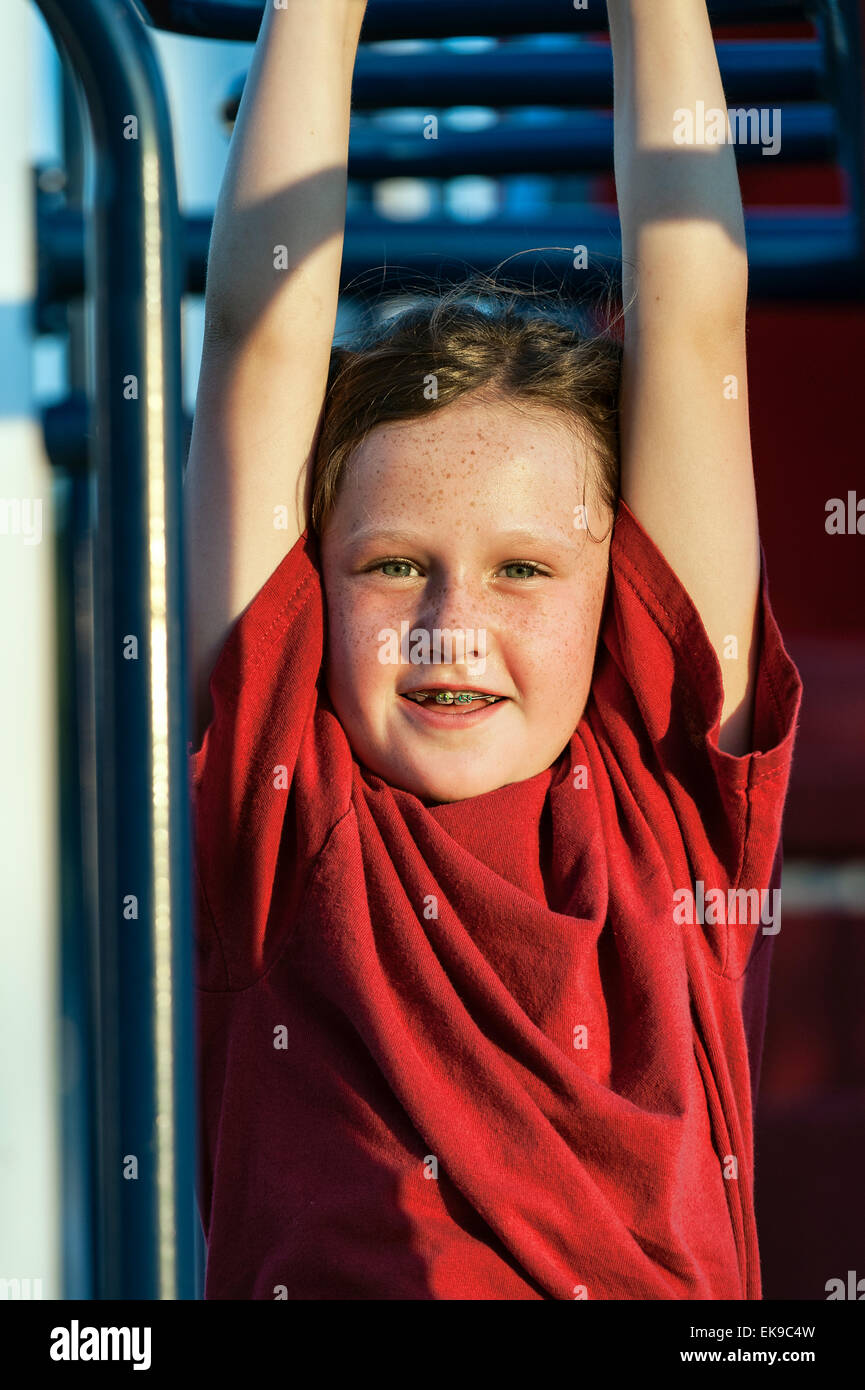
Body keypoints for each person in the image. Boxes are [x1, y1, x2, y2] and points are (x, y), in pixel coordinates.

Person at [184, 0, 803, 1299]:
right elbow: (257, 331)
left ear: (609, 592)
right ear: (322, 585)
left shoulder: (666, 801)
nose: (450, 618)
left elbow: (694, 317)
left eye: (523, 569)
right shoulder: (289, 800)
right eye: (395, 563)